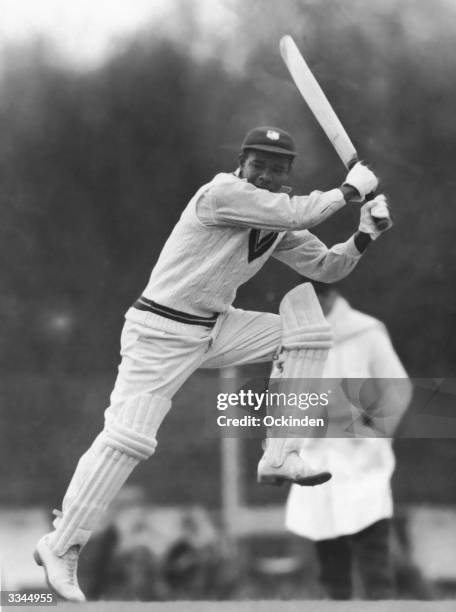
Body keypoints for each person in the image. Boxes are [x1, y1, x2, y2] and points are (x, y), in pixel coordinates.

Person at [34, 125, 391, 601]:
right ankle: (62, 544)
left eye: (276, 168)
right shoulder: (222, 193)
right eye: (257, 164)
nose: (265, 174)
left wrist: (364, 234)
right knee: (128, 439)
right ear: (241, 164)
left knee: (307, 332)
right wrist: (349, 192)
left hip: (214, 327)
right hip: (159, 332)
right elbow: (298, 209)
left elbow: (327, 267)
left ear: (288, 174)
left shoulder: (275, 219)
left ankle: (280, 453)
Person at [284, 281, 412, 599]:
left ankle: (382, 604)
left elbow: (397, 388)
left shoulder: (366, 332)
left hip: (360, 453)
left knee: (371, 544)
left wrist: (373, 431)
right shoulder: (297, 339)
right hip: (317, 452)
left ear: (328, 297)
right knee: (328, 547)